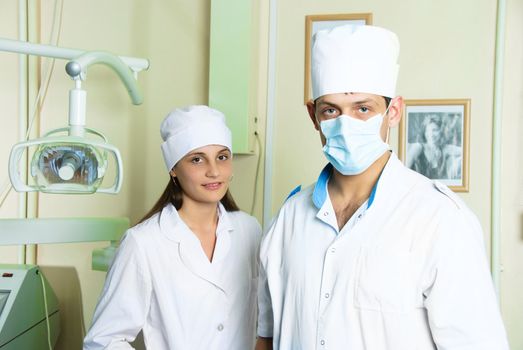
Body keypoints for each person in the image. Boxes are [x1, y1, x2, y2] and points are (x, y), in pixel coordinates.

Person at [255, 25, 508, 350]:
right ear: (313, 115)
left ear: (394, 111)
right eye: (331, 110)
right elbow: (267, 337)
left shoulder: (439, 220)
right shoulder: (288, 219)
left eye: (363, 109)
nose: (346, 125)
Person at [83, 105, 261, 349]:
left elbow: (265, 318)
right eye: (197, 159)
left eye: (222, 157)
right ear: (173, 169)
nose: (214, 171)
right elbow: (103, 341)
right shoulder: (143, 242)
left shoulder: (250, 230)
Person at [406, 114, 461, 179]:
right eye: (427, 130)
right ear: (424, 133)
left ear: (441, 131)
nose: (431, 134)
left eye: (434, 130)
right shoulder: (418, 147)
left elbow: (466, 151)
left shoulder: (444, 149)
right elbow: (403, 170)